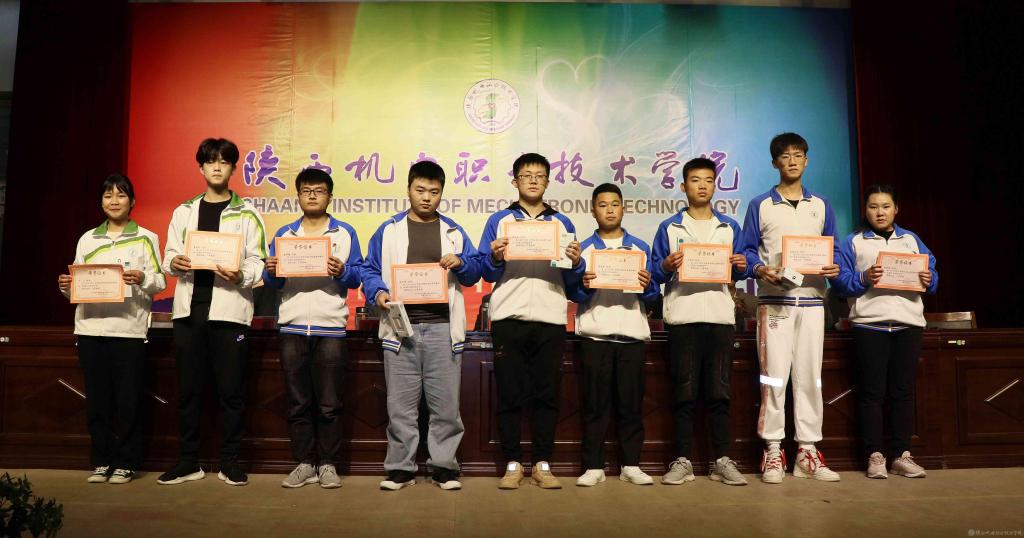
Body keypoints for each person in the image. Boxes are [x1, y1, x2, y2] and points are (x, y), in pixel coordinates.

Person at [362, 160, 481, 491]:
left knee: (446, 406)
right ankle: (400, 468)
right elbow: (369, 270)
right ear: (409, 190)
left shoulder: (454, 231)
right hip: (402, 329)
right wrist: (379, 292)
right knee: (400, 407)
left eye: (434, 191)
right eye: (420, 190)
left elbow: (475, 271)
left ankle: (444, 467)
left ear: (441, 193)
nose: (427, 197)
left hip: (443, 328)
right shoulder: (389, 230)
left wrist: (461, 262)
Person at [157, 138, 268, 487]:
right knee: (189, 391)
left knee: (231, 392)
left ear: (233, 168)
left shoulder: (247, 213)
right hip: (189, 311)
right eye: (210, 161)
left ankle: (230, 461)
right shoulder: (184, 211)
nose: (217, 167)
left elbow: (258, 261)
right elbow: (168, 256)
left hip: (229, 312)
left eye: (224, 161)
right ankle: (188, 461)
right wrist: (174, 262)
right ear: (201, 168)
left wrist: (241, 274)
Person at [477, 152, 585, 490]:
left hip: (551, 318)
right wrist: (495, 256)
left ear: (548, 182)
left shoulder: (562, 223)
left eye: (539, 175)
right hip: (509, 317)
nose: (533, 180)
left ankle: (542, 463)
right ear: (515, 181)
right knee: (509, 394)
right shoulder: (500, 220)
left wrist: (576, 263)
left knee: (546, 395)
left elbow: (571, 280)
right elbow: (485, 271)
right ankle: (512, 463)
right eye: (526, 175)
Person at [739, 132, 842, 483]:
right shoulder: (760, 205)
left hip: (813, 302)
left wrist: (834, 266)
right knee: (773, 378)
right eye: (785, 156)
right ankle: (772, 450)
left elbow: (835, 249)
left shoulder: (822, 205)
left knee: (810, 377)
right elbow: (746, 252)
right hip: (774, 302)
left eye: (798, 155)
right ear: (774, 163)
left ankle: (807, 452)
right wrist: (759, 268)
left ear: (807, 160)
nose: (792, 161)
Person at [58, 174, 166, 484]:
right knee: (97, 400)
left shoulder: (146, 237)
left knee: (128, 400)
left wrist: (142, 279)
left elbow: (159, 281)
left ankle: (126, 462)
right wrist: (66, 286)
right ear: (101, 202)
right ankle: (101, 460)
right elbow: (79, 286)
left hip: (128, 330)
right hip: (90, 329)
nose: (114, 201)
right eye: (108, 196)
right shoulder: (88, 239)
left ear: (132, 202)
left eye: (121, 195)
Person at [651, 158, 749, 487]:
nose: (702, 185)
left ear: (715, 185)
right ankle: (683, 460)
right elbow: (653, 273)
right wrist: (666, 265)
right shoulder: (670, 227)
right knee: (684, 393)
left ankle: (722, 460)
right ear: (683, 186)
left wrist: (740, 264)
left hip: (720, 318)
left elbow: (743, 269)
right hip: (683, 317)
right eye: (695, 180)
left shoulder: (729, 227)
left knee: (720, 393)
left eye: (708, 180)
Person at [263, 168, 363, 489]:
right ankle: (305, 463)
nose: (312, 195)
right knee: (298, 402)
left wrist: (342, 270)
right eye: (306, 190)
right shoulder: (285, 234)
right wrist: (271, 271)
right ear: (298, 196)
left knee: (330, 403)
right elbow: (272, 282)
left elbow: (357, 276)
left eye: (319, 190)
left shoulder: (344, 233)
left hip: (330, 327)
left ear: (330, 196)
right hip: (292, 327)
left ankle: (329, 464)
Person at [834, 184, 936, 479]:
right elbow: (840, 282)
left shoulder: (911, 240)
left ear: (896, 209)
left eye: (886, 206)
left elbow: (933, 275)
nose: (880, 212)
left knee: (903, 392)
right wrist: (864, 277)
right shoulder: (853, 241)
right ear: (865, 211)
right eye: (873, 207)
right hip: (870, 324)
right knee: (872, 392)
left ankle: (902, 455)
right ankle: (874, 455)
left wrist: (929, 278)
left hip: (908, 324)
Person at [567, 183, 659, 487]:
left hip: (631, 335)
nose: (609, 210)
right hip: (596, 336)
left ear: (623, 208)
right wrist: (584, 285)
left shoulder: (640, 248)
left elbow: (652, 297)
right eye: (603, 205)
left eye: (615, 204)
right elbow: (574, 294)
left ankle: (631, 464)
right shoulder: (584, 249)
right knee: (595, 406)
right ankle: (593, 466)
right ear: (593, 210)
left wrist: (647, 285)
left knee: (631, 406)